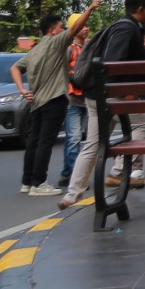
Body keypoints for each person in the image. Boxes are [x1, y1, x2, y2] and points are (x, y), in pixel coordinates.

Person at [61, 0, 145, 209]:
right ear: (140, 9)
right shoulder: (127, 28)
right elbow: (113, 63)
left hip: (97, 95)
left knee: (93, 144)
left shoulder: (123, 26)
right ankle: (120, 168)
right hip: (111, 95)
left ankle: (72, 194)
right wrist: (125, 91)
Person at [11, 5, 96, 196]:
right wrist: (89, 9)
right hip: (54, 99)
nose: (63, 31)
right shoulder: (56, 43)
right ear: (52, 30)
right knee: (45, 142)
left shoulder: (34, 50)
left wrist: (23, 90)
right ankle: (39, 183)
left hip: (36, 102)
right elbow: (75, 29)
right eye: (60, 27)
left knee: (34, 141)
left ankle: (27, 181)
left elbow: (15, 68)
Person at [58, 12, 91, 188]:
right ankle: (74, 176)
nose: (86, 28)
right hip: (72, 99)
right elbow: (63, 72)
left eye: (87, 25)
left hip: (87, 99)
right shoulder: (69, 48)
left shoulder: (89, 46)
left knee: (81, 139)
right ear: (74, 28)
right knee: (74, 138)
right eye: (82, 25)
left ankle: (67, 173)